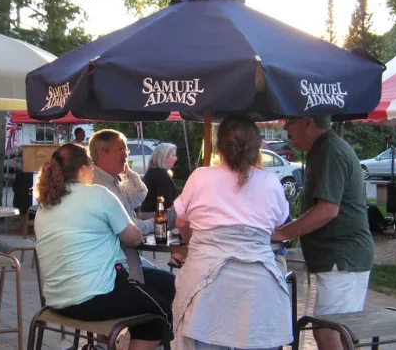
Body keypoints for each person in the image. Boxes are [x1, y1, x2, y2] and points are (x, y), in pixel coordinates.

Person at [34, 144, 172, 350]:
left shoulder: (45, 204)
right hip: (95, 297)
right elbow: (133, 238)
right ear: (83, 169)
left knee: (161, 285)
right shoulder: (98, 194)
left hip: (56, 300)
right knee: (160, 314)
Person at [173, 114, 292, 350]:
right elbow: (280, 227)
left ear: (218, 147)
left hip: (207, 286)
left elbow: (182, 224)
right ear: (256, 147)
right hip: (259, 287)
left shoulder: (200, 177)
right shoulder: (271, 182)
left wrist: (193, 247)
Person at [273, 115, 373, 350]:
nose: (286, 127)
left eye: (291, 121)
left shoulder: (330, 150)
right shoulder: (324, 149)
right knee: (336, 331)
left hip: (342, 258)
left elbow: (327, 210)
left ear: (308, 122)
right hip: (338, 258)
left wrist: (281, 233)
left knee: (328, 331)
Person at [89, 129, 176, 303]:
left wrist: (128, 172)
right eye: (120, 150)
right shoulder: (99, 186)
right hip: (116, 269)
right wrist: (159, 222)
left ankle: (149, 325)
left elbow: (140, 194)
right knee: (171, 286)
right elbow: (131, 230)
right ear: (101, 152)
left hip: (124, 260)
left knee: (169, 281)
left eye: (126, 150)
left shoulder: (112, 180)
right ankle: (148, 326)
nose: (126, 155)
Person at [140, 143, 178, 215]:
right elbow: (167, 203)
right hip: (155, 217)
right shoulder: (161, 175)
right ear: (164, 157)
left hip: (148, 214)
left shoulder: (153, 171)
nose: (176, 158)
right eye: (173, 155)